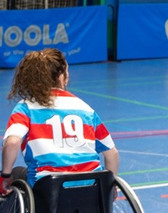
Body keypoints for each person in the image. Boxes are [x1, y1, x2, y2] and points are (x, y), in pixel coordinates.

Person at [1, 48, 119, 193]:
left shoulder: (26, 108)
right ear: (62, 77)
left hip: (50, 189)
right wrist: (110, 188)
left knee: (16, 173)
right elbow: (112, 154)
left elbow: (12, 142)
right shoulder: (85, 108)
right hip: (91, 188)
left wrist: (5, 175)